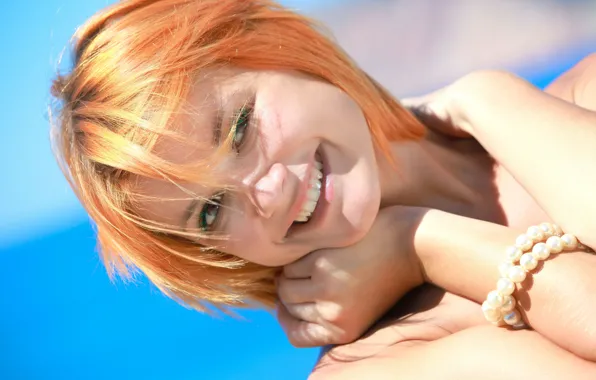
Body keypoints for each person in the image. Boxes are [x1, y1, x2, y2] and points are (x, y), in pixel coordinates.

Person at [50, 0, 596, 378]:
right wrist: (421, 242)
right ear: (212, 253)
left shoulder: (581, 95)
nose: (266, 193)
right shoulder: (381, 366)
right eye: (212, 210)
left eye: (240, 128)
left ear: (280, 48)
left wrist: (487, 99)